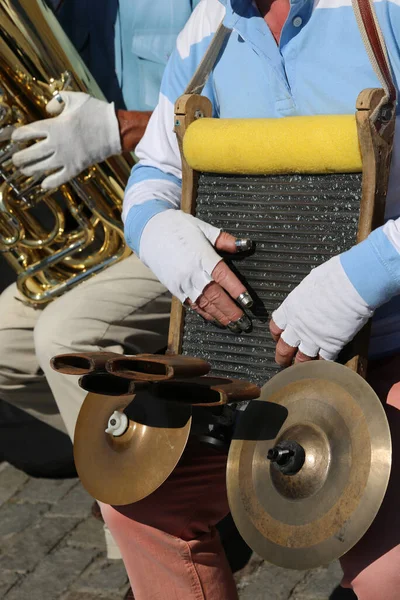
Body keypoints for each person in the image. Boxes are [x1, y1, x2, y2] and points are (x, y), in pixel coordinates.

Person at [98, 0, 400, 598]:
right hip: (248, 365)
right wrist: (160, 233)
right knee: (140, 498)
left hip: (388, 348)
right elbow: (153, 169)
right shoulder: (208, 26)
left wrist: (359, 279)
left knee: (387, 569)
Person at [0, 0, 200, 440]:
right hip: (115, 230)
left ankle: (135, 495)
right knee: (4, 347)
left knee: (66, 336)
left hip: (193, 220)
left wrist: (120, 129)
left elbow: (247, 119)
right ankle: (154, 453)